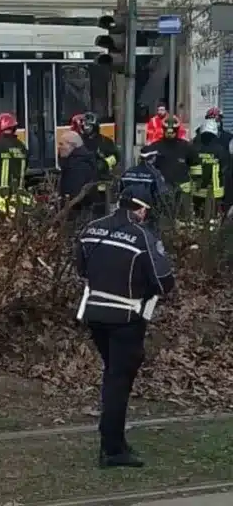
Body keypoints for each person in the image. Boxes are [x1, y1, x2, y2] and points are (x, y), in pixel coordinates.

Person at [74, 183, 174, 468]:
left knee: (113, 374)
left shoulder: (91, 228)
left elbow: (81, 268)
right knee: (118, 381)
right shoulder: (143, 236)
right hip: (127, 318)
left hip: (94, 313)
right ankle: (113, 448)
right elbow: (164, 281)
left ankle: (114, 439)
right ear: (141, 209)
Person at [140, 115, 200, 218]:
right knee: (162, 218)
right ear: (163, 129)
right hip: (162, 191)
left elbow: (196, 165)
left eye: (173, 131)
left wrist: (196, 183)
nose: (170, 133)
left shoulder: (186, 147)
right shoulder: (156, 146)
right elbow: (144, 158)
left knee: (183, 220)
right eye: (167, 130)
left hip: (183, 190)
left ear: (177, 130)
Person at [72, 112, 120, 216]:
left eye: (88, 125)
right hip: (82, 183)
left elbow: (116, 157)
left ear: (95, 126)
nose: (85, 127)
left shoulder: (105, 142)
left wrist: (105, 164)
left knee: (100, 211)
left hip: (100, 184)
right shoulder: (79, 141)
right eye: (84, 125)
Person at [191, 118, 230, 220]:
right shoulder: (221, 150)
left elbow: (188, 165)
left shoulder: (194, 149)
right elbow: (225, 168)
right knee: (215, 217)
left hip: (197, 191)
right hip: (217, 192)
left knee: (198, 217)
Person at [57, 131, 98, 221]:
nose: (59, 147)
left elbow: (73, 193)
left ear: (72, 145)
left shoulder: (79, 166)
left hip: (76, 215)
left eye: (61, 144)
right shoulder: (76, 161)